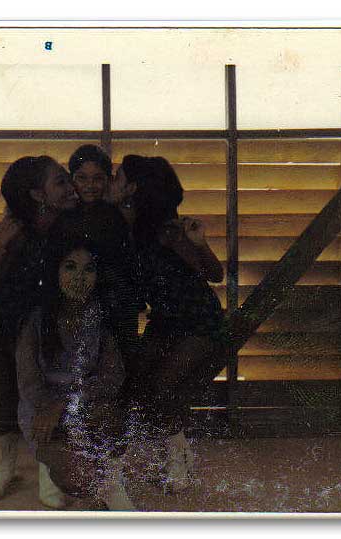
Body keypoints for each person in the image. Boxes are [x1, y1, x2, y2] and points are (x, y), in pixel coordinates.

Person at [0, 156, 78, 504]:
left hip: (28, 325)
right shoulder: (15, 233)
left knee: (43, 389)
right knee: (0, 389)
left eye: (68, 179)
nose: (71, 188)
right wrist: (2, 245)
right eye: (60, 182)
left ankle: (50, 473)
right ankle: (2, 467)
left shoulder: (69, 224)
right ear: (38, 195)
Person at [117, 155, 227, 493]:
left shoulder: (169, 231)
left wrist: (198, 242)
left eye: (118, 176)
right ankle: (178, 453)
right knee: (140, 380)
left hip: (197, 320)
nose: (112, 181)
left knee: (163, 384)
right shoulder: (127, 226)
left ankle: (178, 460)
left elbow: (215, 274)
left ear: (133, 188)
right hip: (165, 320)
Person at [16, 238, 135, 510]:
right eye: (70, 267)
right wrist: (52, 408)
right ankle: (52, 468)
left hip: (83, 404)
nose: (79, 277)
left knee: (113, 422)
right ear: (55, 272)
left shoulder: (101, 317)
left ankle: (111, 487)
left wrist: (66, 403)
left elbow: (113, 376)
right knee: (75, 476)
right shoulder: (36, 320)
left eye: (88, 269)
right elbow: (29, 382)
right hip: (44, 410)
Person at [49, 145, 144, 364]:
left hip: (116, 302)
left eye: (98, 179)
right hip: (76, 300)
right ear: (72, 179)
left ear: (108, 180)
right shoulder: (65, 213)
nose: (89, 186)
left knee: (117, 361)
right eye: (81, 178)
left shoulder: (119, 212)